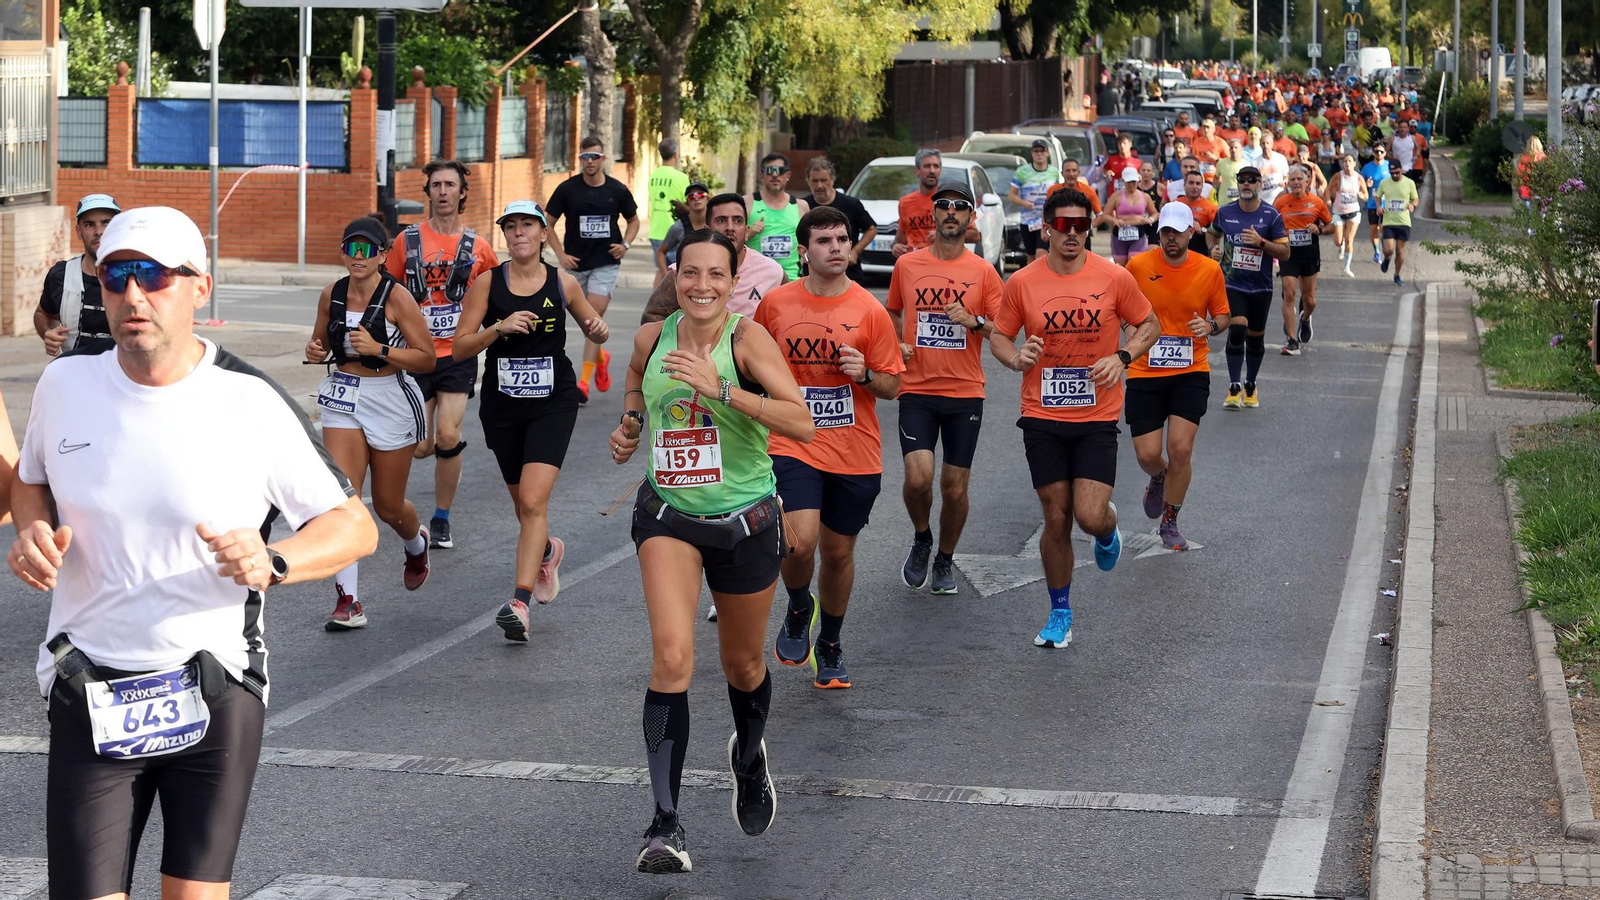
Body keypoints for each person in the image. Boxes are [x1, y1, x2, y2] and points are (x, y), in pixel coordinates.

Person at [11, 205, 376, 900]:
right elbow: (32, 482)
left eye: (154, 276)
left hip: (213, 686)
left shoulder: (247, 401)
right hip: (91, 684)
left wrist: (274, 560)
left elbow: (352, 526)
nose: (133, 296)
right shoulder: (66, 385)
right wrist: (31, 531)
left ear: (199, 287)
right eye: (116, 277)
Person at [609, 230, 815, 874]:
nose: (701, 286)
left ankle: (749, 755)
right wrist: (632, 426)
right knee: (671, 656)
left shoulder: (747, 340)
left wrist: (722, 389)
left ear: (734, 280)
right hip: (667, 515)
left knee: (744, 664)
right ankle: (664, 824)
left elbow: (801, 419)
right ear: (673, 274)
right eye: (689, 273)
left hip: (745, 520)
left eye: (715, 275)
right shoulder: (651, 337)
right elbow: (638, 390)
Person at [988, 188, 1159, 648]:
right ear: (1046, 228)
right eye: (1063, 226)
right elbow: (1000, 337)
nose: (1072, 234)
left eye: (1081, 226)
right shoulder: (1023, 282)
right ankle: (1059, 612)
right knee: (1056, 516)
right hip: (1041, 413)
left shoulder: (1113, 276)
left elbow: (1150, 324)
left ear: (1090, 228)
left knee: (1087, 515)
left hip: (1097, 414)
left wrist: (1122, 356)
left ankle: (1108, 528)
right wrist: (1016, 357)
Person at [758, 206, 905, 689]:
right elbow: (752, 366)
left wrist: (864, 372)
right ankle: (800, 605)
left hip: (854, 449)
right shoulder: (776, 305)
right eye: (824, 241)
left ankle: (832, 641)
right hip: (792, 441)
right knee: (798, 540)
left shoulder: (869, 309)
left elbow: (891, 386)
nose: (837, 247)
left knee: (838, 554)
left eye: (842, 239)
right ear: (804, 250)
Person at [452, 201, 610, 641]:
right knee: (524, 506)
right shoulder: (488, 283)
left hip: (551, 403)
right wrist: (497, 329)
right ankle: (545, 551)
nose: (519, 232)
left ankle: (519, 602)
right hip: (502, 404)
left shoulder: (563, 283)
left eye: (528, 225)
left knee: (535, 502)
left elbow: (594, 327)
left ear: (543, 234)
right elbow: (461, 347)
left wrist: (598, 332)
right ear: (504, 235)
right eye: (511, 226)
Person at [305, 217, 436, 630]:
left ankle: (416, 544)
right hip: (344, 394)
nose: (358, 257)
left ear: (383, 255)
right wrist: (314, 351)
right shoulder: (332, 293)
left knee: (388, 506)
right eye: (351, 248)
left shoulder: (397, 298)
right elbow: (321, 344)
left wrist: (380, 348)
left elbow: (427, 357)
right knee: (343, 499)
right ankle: (349, 602)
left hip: (390, 396)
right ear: (343, 252)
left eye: (368, 250)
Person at [884, 181, 1004, 594]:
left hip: (964, 391)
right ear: (932, 215)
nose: (950, 212)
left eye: (959, 207)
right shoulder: (909, 266)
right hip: (916, 387)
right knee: (919, 479)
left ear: (971, 219)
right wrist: (895, 345)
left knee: (954, 488)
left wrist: (974, 322)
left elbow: (1002, 332)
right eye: (943, 206)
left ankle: (945, 558)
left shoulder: (984, 272)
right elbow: (893, 312)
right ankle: (922, 537)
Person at [386, 159, 500, 548]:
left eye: (451, 185)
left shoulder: (479, 247)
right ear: (429, 192)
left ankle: (441, 519)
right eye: (437, 185)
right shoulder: (407, 241)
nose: (444, 191)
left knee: (448, 435)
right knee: (421, 446)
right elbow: (386, 292)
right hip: (417, 352)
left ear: (462, 192)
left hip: (457, 352)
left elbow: (496, 294)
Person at [1124, 203, 1230, 551]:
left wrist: (1210, 326)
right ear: (1159, 234)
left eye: (1177, 231)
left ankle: (1170, 521)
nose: (1171, 238)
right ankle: (1158, 475)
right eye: (1165, 232)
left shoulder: (1209, 269)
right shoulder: (1138, 266)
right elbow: (1120, 306)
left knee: (1180, 449)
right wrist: (1127, 329)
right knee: (1147, 453)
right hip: (1145, 369)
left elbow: (1223, 316)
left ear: (1191, 232)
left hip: (1191, 369)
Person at [545, 136, 641, 403]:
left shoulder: (617, 190)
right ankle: (601, 355)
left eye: (595, 157)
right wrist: (560, 254)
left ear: (603, 159)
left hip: (605, 263)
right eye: (585, 157)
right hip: (575, 264)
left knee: (592, 320)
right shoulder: (567, 189)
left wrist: (626, 244)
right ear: (580, 160)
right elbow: (547, 223)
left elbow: (633, 221)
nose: (590, 162)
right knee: (582, 322)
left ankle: (583, 383)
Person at [1208, 166, 1290, 409]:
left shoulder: (1271, 215)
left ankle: (1250, 384)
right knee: (1237, 329)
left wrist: (1261, 242)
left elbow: (1285, 253)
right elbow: (1211, 234)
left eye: (1251, 180)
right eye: (1242, 180)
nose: (1246, 184)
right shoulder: (1224, 212)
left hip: (1261, 287)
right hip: (1232, 283)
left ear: (1259, 184)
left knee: (1255, 340)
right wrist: (1213, 249)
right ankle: (1234, 385)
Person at [642, 193, 787, 326]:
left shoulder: (772, 271)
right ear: (707, 229)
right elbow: (652, 318)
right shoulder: (682, 272)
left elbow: (789, 318)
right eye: (721, 220)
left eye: (737, 220)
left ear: (747, 231)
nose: (730, 227)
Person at [37, 194, 120, 358]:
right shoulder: (61, 275)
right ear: (79, 231)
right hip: (74, 375)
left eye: (106, 223)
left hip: (125, 376)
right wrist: (48, 333)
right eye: (89, 224)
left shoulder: (137, 276)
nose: (99, 232)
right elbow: (43, 313)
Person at [1274, 166, 1333, 355]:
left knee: (1310, 300)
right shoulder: (1281, 202)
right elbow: (1271, 223)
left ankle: (1305, 319)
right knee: (1289, 293)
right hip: (1288, 254)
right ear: (1288, 183)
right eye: (1293, 180)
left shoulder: (1316, 202)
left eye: (1300, 179)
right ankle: (1292, 341)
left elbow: (1331, 226)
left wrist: (1320, 230)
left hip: (1309, 254)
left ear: (1307, 182)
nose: (1296, 183)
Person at [801, 156, 877, 282]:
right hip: (813, 276)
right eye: (815, 181)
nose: (819, 185)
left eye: (824, 180)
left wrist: (855, 251)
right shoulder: (802, 205)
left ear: (832, 180)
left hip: (849, 273)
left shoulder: (851, 204)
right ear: (808, 181)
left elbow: (871, 229)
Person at [893, 149, 978, 257]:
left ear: (940, 171)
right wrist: (895, 246)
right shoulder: (905, 202)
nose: (932, 171)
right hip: (915, 262)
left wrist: (942, 233)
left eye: (936, 166)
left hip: (942, 259)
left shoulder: (948, 200)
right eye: (927, 166)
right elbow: (901, 238)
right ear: (917, 171)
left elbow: (975, 236)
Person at [745, 152, 810, 280]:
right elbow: (730, 242)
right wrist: (749, 233)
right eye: (769, 171)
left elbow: (812, 243)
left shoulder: (801, 206)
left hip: (791, 280)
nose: (774, 175)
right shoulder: (747, 203)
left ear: (788, 175)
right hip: (754, 280)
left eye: (779, 171)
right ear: (761, 175)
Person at [1009, 139, 1063, 262]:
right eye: (1036, 151)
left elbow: (1059, 193)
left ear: (1047, 153)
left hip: (1047, 219)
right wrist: (1024, 203)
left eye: (1042, 151)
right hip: (1028, 220)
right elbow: (1011, 196)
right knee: (1031, 256)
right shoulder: (1022, 172)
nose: (1039, 154)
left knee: (1042, 254)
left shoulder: (1054, 172)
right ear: (1032, 153)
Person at [648, 138, 691, 283]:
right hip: (674, 230)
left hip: (655, 229)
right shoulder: (681, 177)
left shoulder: (653, 176)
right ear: (676, 154)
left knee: (660, 271)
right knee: (675, 273)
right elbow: (688, 203)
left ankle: (655, 304)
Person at [654, 181, 711, 286]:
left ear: (708, 199)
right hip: (685, 279)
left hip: (709, 277)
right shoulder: (679, 227)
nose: (696, 198)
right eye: (691, 197)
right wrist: (665, 274)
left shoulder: (715, 223)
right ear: (687, 203)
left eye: (701, 194)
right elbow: (661, 252)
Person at [1375, 158, 1419, 286]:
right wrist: (1378, 207)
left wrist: (1412, 205)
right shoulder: (1385, 183)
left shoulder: (1410, 183)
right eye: (1392, 173)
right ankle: (1387, 258)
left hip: (1404, 222)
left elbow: (1415, 198)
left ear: (1401, 170)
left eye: (1397, 173)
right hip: (1389, 221)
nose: (1395, 175)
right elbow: (1378, 196)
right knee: (1389, 249)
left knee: (1400, 251)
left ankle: (1397, 274)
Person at [1325, 153, 1368, 278]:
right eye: (1345, 161)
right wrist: (1328, 200)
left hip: (1354, 212)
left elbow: (1366, 195)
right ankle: (1341, 245)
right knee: (1338, 241)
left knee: (1350, 238)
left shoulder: (1359, 178)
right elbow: (1328, 189)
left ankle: (1347, 267)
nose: (1347, 164)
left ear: (1354, 163)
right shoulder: (1338, 176)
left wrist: (1362, 196)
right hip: (1339, 212)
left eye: (1349, 161)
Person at [1107, 167, 1158, 266]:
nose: (1131, 185)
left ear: (1138, 180)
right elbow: (1105, 215)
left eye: (1134, 182)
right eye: (1129, 182)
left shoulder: (1145, 197)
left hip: (1138, 233)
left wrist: (1150, 219)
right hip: (1120, 234)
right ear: (1123, 182)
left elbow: (1155, 213)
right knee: (1121, 268)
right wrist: (1114, 220)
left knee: (1134, 263)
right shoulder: (1116, 196)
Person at [1174, 171, 1220, 254]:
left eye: (1198, 184)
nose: (1195, 186)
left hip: (1199, 251)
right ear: (1184, 185)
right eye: (1191, 183)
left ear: (1202, 187)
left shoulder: (1210, 208)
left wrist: (1202, 230)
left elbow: (1217, 234)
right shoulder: (1174, 204)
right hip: (1176, 251)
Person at [1360, 143, 1390, 263]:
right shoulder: (1367, 168)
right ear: (1373, 153)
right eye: (1376, 151)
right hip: (1372, 203)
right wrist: (1366, 186)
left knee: (1383, 228)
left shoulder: (1389, 166)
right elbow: (1360, 184)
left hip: (1386, 203)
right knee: (1373, 229)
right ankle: (1377, 251)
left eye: (1381, 152)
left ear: (1385, 153)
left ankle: (1383, 242)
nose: (1379, 153)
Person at [1389, 118, 1427, 188]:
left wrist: (1416, 155)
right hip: (1396, 168)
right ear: (1398, 128)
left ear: (1407, 129)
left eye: (1404, 127)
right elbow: (1386, 151)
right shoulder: (1393, 138)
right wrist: (1392, 158)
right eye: (1401, 127)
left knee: (1407, 187)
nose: (1402, 129)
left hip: (1409, 167)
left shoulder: (1412, 138)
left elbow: (1418, 148)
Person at [1190, 118, 1229, 183]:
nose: (1205, 130)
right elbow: (1194, 157)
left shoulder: (1221, 142)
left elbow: (1229, 161)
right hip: (1201, 178)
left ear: (1214, 129)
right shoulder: (1197, 142)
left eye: (1208, 128)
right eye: (1204, 128)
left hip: (1216, 178)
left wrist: (1215, 158)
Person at [1216, 138, 1245, 202]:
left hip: (1241, 202)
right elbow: (1216, 177)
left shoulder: (1247, 164)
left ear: (1241, 149)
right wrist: (1216, 190)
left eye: (1236, 147)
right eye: (1231, 148)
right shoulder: (1221, 163)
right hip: (1224, 201)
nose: (1233, 150)